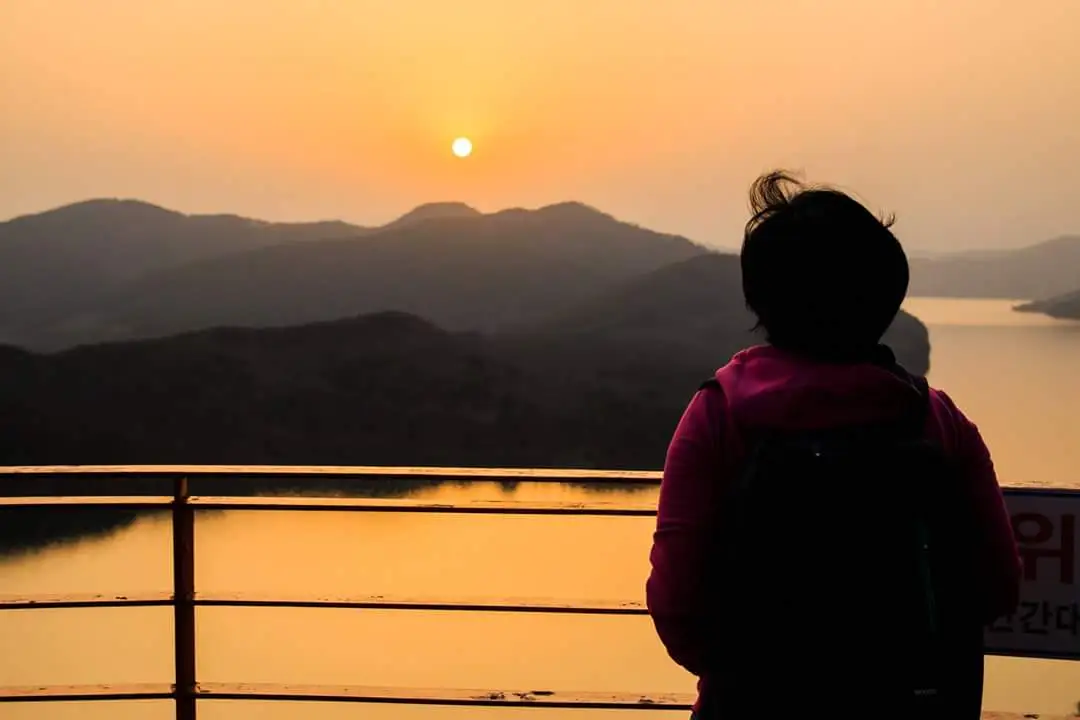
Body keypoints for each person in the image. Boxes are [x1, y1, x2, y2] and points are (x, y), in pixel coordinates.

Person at [645, 171, 1021, 718]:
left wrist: (752, 672)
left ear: (761, 297)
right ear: (887, 294)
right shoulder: (936, 420)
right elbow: (997, 588)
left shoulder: (720, 415)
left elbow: (677, 604)